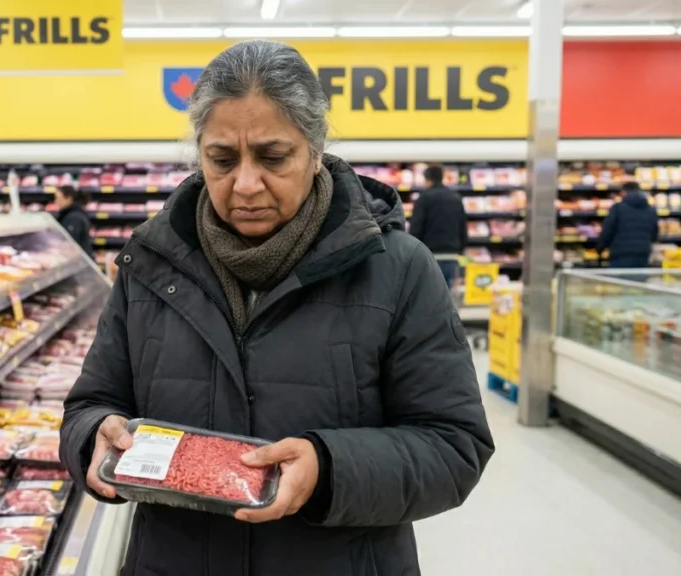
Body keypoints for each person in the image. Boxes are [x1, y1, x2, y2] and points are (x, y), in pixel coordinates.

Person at [60, 40, 493, 576]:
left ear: (315, 151)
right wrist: (93, 438)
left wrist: (328, 468)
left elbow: (454, 447)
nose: (245, 184)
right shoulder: (149, 267)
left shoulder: (400, 270)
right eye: (222, 159)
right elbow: (89, 405)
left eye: (272, 157)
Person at [409, 165, 467, 288]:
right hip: (451, 255)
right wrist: (461, 250)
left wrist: (412, 251)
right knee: (447, 295)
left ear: (427, 179)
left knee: (429, 295)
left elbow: (416, 227)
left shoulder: (424, 198)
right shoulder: (455, 198)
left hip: (429, 255)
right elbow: (463, 227)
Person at [597, 182, 659, 268]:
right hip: (642, 254)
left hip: (620, 254)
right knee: (637, 281)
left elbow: (608, 231)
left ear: (623, 192)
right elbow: (654, 234)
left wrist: (600, 248)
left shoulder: (617, 208)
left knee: (619, 281)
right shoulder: (651, 210)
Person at [54, 185, 94, 258]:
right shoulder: (72, 214)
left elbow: (70, 244)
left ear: (68, 199)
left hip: (79, 263)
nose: (56, 201)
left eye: (58, 198)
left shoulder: (74, 218)